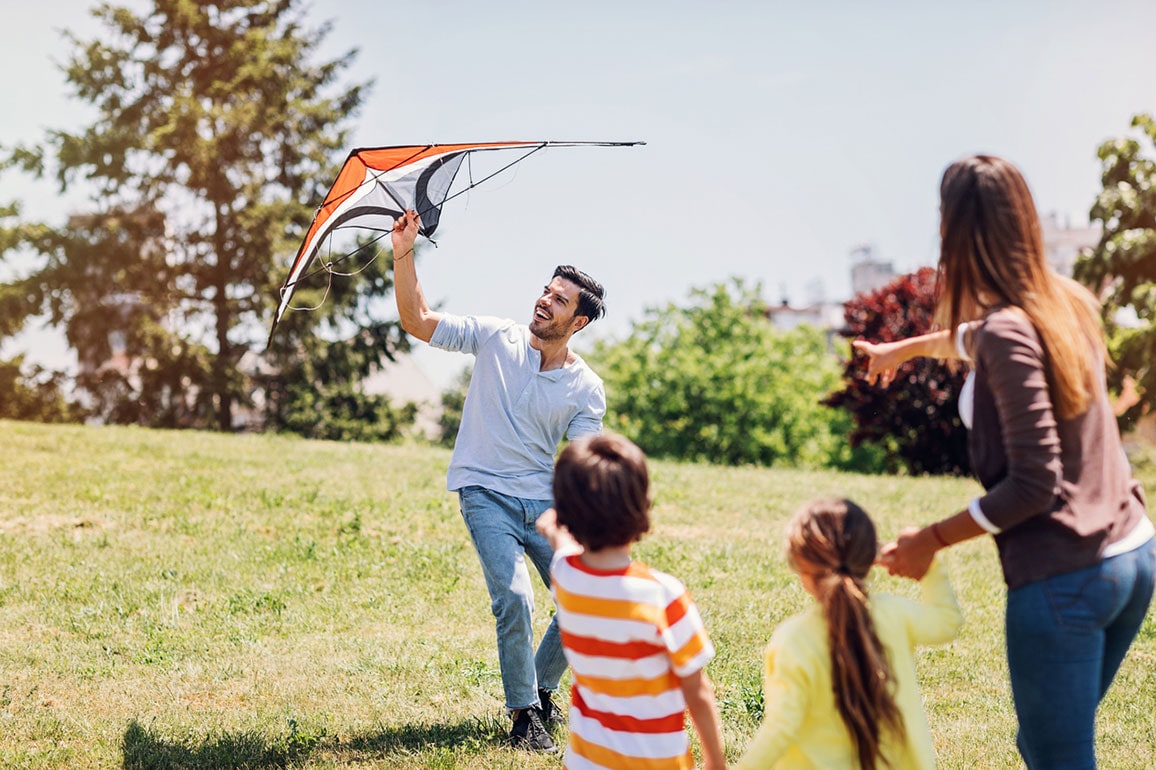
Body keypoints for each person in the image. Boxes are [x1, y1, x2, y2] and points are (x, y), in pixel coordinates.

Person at [855, 154, 1156, 769]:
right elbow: (972, 337)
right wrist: (899, 351)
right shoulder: (1062, 303)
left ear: (955, 232)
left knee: (1056, 757)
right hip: (1132, 552)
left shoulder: (1009, 331)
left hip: (1066, 576)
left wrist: (930, 540)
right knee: (1045, 745)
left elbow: (1034, 484)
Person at [390, 208, 608, 752]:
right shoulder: (494, 338)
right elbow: (417, 320)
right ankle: (524, 717)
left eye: (559, 300)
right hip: (484, 493)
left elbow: (581, 460)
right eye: (545, 291)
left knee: (585, 597)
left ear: (577, 322)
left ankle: (540, 688)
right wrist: (402, 251)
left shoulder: (586, 387)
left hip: (544, 505)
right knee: (515, 598)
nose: (544, 301)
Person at [536, 433, 727, 770]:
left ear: (566, 511)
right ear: (640, 506)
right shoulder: (664, 596)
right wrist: (715, 761)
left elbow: (560, 541)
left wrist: (555, 524)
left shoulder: (565, 577)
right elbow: (698, 693)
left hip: (585, 761)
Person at [734, 499, 962, 770]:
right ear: (869, 559)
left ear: (799, 563)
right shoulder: (894, 616)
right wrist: (929, 567)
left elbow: (780, 729)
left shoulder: (792, 640)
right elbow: (947, 621)